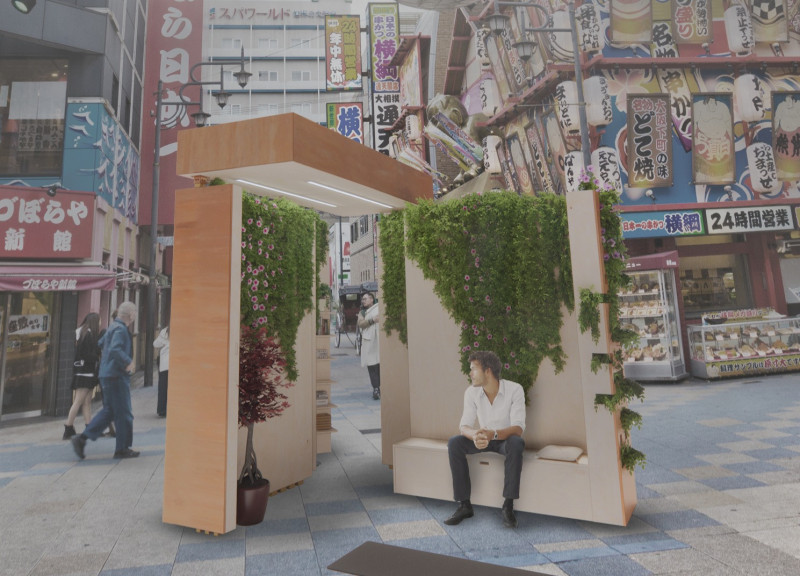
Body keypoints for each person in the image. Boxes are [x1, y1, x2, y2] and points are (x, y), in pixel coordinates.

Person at [445, 350, 526, 528]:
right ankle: (464, 505)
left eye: (474, 369)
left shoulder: (515, 390)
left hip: (504, 441)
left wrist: (493, 434)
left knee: (516, 443)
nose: (470, 373)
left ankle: (508, 506)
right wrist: (475, 435)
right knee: (454, 443)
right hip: (482, 439)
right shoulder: (471, 393)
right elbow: (464, 426)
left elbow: (518, 428)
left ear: (487, 371)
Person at [72, 301, 139, 460]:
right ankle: (122, 448)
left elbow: (101, 344)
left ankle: (82, 439)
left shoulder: (111, 327)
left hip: (106, 375)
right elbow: (115, 348)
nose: (135, 315)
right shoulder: (121, 329)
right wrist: (127, 361)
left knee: (110, 411)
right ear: (130, 315)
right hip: (116, 376)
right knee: (124, 413)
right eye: (135, 312)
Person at [63, 313, 101, 440]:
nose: (100, 323)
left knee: (86, 402)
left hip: (81, 371)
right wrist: (97, 357)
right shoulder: (88, 335)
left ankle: (89, 427)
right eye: (99, 321)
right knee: (79, 401)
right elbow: (88, 355)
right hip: (87, 372)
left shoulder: (81, 333)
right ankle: (68, 427)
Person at [357, 292, 380, 400]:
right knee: (372, 365)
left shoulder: (379, 307)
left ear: (372, 299)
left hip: (379, 340)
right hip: (369, 341)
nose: (363, 301)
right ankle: (376, 388)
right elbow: (361, 324)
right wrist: (372, 320)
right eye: (363, 299)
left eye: (365, 299)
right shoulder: (362, 312)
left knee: (380, 365)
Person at [153, 324, 170, 417]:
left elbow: (155, 344)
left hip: (164, 364)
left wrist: (163, 342)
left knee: (163, 387)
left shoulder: (165, 331)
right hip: (176, 363)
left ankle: (161, 409)